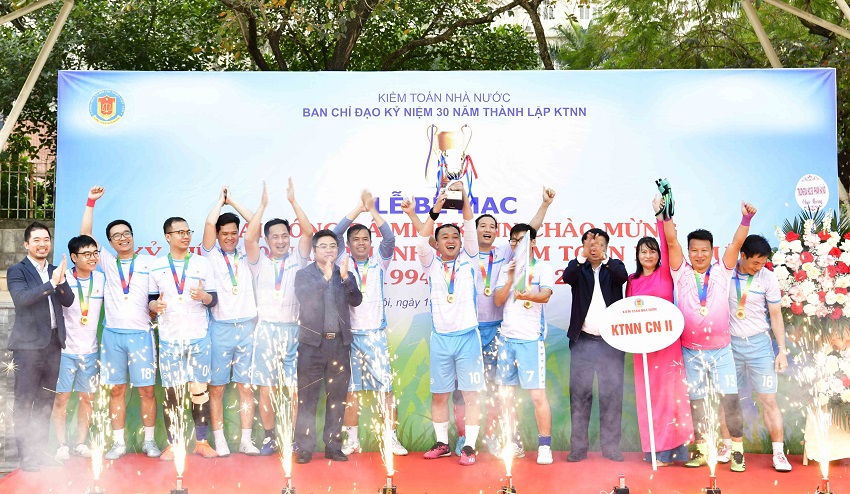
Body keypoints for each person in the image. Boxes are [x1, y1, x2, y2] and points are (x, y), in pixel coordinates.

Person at [402, 187, 556, 457]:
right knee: (460, 392)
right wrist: (417, 214)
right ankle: (462, 438)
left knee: (495, 390)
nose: (485, 229)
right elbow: (429, 240)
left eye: (491, 226)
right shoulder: (454, 256)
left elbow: (527, 233)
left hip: (496, 332)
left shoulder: (504, 253)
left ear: (497, 233)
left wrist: (544, 205)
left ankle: (495, 437)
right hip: (462, 333)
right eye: (481, 225)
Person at [664, 199, 756, 472]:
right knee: (697, 403)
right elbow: (671, 242)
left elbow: (737, 244)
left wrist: (746, 220)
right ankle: (702, 450)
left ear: (712, 251)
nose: (699, 255)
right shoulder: (681, 273)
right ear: (689, 252)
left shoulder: (722, 272)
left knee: (730, 401)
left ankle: (737, 452)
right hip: (691, 351)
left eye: (704, 250)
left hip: (721, 351)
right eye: (694, 250)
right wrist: (666, 216)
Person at [81, 186, 160, 459]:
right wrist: (91, 202)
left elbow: (153, 299)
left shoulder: (149, 263)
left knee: (147, 391)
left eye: (126, 233)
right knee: (117, 389)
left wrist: (155, 307)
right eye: (116, 236)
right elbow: (85, 235)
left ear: (132, 237)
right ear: (110, 243)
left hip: (141, 335)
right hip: (112, 336)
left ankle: (150, 441)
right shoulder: (106, 262)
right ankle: (118, 443)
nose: (123, 238)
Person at [415, 182, 485, 466]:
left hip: (468, 337)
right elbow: (421, 241)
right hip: (441, 338)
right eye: (444, 236)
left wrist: (464, 196)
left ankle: (469, 446)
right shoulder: (431, 263)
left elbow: (469, 223)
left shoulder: (470, 258)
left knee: (471, 395)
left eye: (455, 236)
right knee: (439, 395)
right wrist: (435, 210)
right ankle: (442, 443)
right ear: (438, 243)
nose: (451, 239)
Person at [333, 190, 408, 457]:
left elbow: (390, 238)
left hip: (375, 335)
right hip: (350, 337)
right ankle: (352, 440)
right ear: (349, 244)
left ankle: (391, 438)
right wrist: (358, 208)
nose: (361, 243)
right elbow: (335, 233)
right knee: (350, 390)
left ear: (370, 243)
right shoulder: (342, 261)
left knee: (385, 388)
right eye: (356, 239)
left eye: (365, 239)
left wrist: (372, 210)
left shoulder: (379, 261)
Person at [245, 179, 313, 455]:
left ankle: (294, 438)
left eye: (285, 235)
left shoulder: (299, 258)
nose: (281, 241)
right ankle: (269, 437)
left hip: (294, 331)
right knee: (267, 389)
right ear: (267, 240)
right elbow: (248, 238)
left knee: (295, 390)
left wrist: (293, 202)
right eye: (275, 237)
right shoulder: (258, 261)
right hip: (266, 332)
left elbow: (308, 231)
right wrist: (262, 206)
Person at [626, 195, 693, 466]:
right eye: (644, 252)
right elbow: (628, 315)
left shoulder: (665, 273)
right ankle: (655, 450)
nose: (649, 255)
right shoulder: (632, 281)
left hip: (668, 346)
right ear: (637, 256)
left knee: (671, 395)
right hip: (644, 350)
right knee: (649, 398)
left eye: (652, 251)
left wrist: (661, 215)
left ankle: (676, 451)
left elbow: (667, 242)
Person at [717, 234, 791, 472]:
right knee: (728, 399)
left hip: (760, 345)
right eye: (755, 262)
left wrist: (782, 351)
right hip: (730, 346)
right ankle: (727, 446)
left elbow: (776, 315)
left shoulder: (768, 278)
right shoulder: (726, 273)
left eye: (763, 263)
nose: (759, 267)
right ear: (742, 255)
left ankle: (778, 453)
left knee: (768, 399)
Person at [148, 217, 219, 460]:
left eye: (188, 231)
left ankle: (202, 442)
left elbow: (213, 299)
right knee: (172, 394)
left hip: (198, 337)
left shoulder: (202, 263)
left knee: (200, 392)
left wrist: (203, 296)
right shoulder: (156, 266)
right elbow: (150, 300)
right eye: (180, 232)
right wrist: (155, 306)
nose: (186, 236)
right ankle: (174, 444)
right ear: (168, 237)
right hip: (170, 338)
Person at [7, 222, 73, 471]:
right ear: (26, 244)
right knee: (25, 401)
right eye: (36, 240)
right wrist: (50, 285)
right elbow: (21, 299)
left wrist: (61, 282)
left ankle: (40, 451)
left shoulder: (56, 270)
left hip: (53, 345)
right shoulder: (17, 271)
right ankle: (26, 456)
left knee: (46, 401)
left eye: (46, 239)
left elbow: (68, 301)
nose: (42, 244)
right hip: (28, 348)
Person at [293, 230, 362, 464]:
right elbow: (305, 297)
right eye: (323, 246)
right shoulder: (304, 275)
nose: (329, 250)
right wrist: (325, 278)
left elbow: (356, 300)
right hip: (312, 345)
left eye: (333, 246)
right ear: (314, 251)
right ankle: (305, 447)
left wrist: (345, 279)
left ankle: (333, 446)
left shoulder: (344, 274)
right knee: (307, 397)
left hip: (339, 345)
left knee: (337, 397)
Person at [201, 186, 259, 456]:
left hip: (247, 327)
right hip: (220, 328)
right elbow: (208, 223)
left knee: (246, 387)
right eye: (224, 233)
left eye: (234, 233)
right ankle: (220, 439)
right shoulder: (211, 255)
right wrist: (220, 201)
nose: (230, 238)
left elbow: (255, 220)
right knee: (217, 388)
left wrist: (233, 201)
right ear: (217, 235)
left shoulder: (248, 254)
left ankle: (246, 440)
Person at [562, 228, 629, 462]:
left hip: (611, 344)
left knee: (611, 396)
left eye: (600, 244)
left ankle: (610, 448)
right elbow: (567, 277)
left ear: (606, 247)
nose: (594, 248)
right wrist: (581, 256)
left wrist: (605, 259)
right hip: (583, 343)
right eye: (590, 244)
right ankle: (578, 448)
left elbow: (623, 277)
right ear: (583, 247)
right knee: (579, 396)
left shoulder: (614, 267)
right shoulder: (578, 269)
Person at [493, 224, 555, 465]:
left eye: (523, 239)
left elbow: (546, 295)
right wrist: (510, 279)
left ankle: (544, 446)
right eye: (515, 240)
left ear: (533, 242)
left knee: (537, 396)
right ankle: (514, 443)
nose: (519, 244)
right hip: (507, 340)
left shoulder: (542, 268)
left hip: (530, 340)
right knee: (505, 397)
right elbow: (498, 300)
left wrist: (528, 295)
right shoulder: (506, 268)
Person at [51, 235, 105, 462]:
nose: (92, 258)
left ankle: (81, 443)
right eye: (86, 254)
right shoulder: (62, 278)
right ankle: (61, 445)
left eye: (95, 253)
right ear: (74, 257)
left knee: (87, 399)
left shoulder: (101, 278)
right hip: (65, 351)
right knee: (61, 400)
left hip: (90, 352)